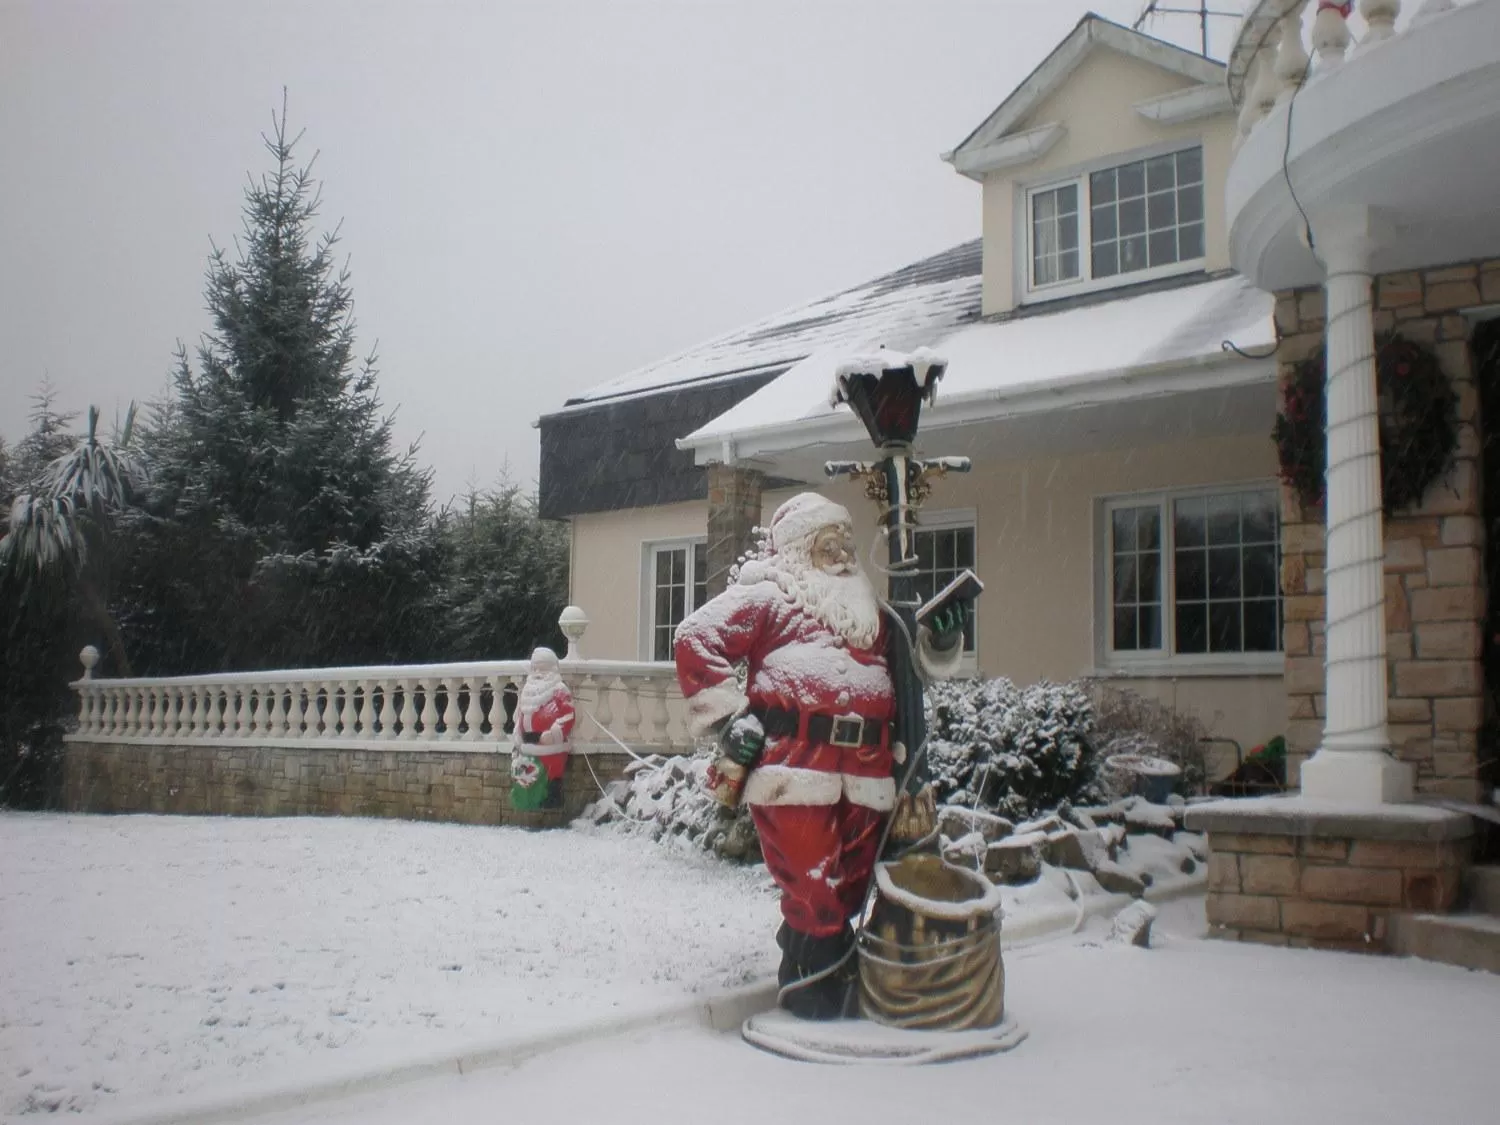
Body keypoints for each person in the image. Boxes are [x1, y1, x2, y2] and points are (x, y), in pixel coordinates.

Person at [673, 492, 965, 1019]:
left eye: (846, 542)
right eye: (828, 542)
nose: (843, 553)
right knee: (812, 879)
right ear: (798, 548)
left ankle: (827, 967)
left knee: (851, 880)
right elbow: (697, 637)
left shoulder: (869, 614)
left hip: (867, 771)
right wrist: (729, 717)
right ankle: (813, 984)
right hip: (795, 766)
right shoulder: (770, 599)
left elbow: (911, 666)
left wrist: (941, 640)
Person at [511, 647, 575, 811]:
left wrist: (551, 734)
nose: (539, 672)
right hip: (528, 744)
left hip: (550, 747)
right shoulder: (527, 690)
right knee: (525, 775)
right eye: (536, 668)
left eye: (543, 668)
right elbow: (521, 714)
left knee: (550, 773)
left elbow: (568, 715)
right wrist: (519, 732)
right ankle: (526, 799)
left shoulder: (560, 690)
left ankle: (552, 796)